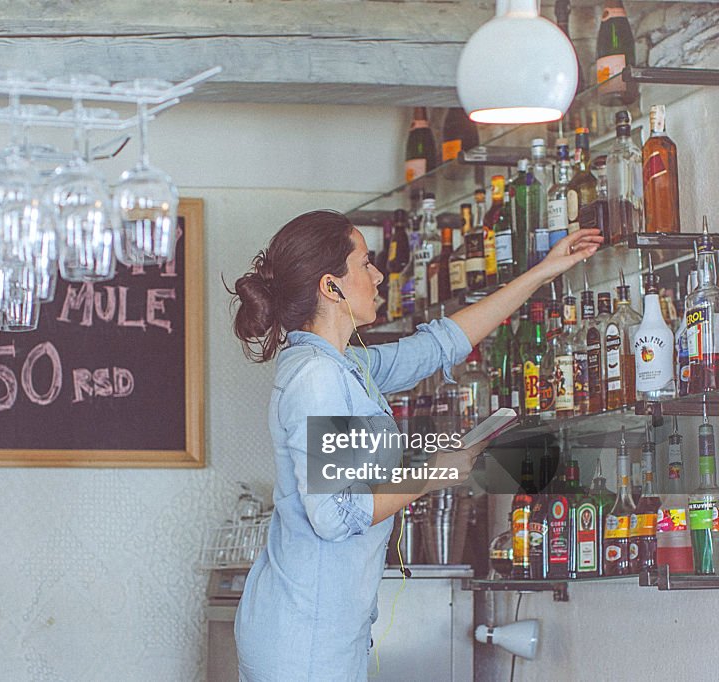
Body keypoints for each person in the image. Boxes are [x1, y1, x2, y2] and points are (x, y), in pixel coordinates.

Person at [229, 210, 602, 681]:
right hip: (304, 640)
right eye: (365, 264)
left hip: (321, 629)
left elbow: (440, 344)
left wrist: (543, 271)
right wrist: (436, 471)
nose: (378, 275)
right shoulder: (317, 378)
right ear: (331, 286)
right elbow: (336, 516)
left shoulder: (347, 366)